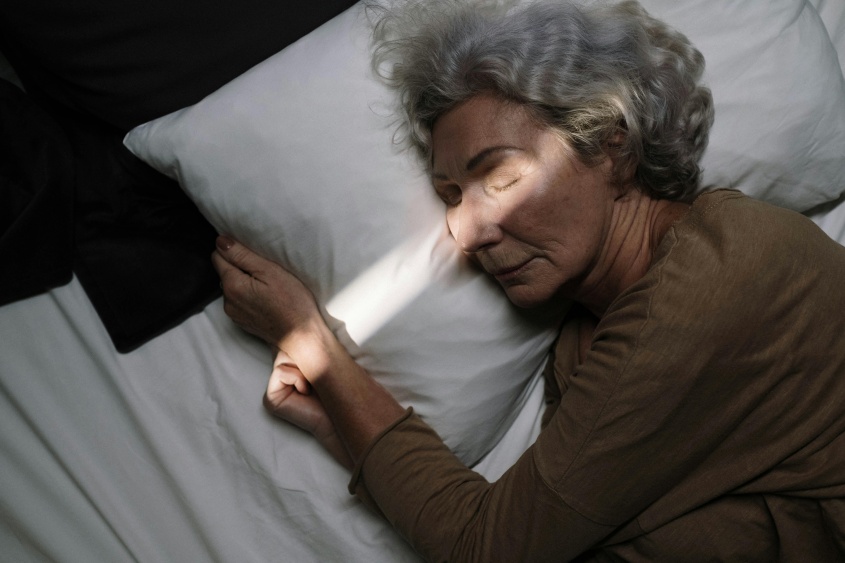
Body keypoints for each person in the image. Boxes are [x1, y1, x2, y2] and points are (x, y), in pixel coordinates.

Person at [211, 0, 845, 560]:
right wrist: (340, 426)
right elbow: (536, 528)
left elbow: (485, 546)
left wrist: (315, 348)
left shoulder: (717, 277)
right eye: (450, 195)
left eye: (501, 177)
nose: (465, 231)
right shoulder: (580, 345)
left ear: (613, 147)